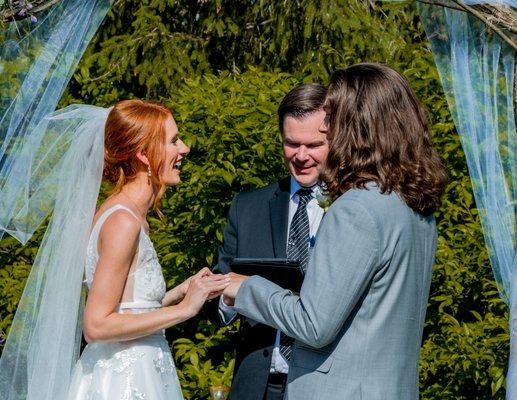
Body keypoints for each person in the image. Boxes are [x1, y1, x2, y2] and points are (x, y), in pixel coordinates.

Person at [223, 63, 448, 400]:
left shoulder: (355, 209)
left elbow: (313, 324)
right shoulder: (414, 208)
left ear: (358, 124)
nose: (328, 126)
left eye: (332, 117)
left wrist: (245, 288)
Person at [0, 100, 230, 400]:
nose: (184, 149)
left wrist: (183, 291)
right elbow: (96, 325)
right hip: (122, 382)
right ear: (145, 155)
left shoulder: (129, 215)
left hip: (141, 370)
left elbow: (127, 305)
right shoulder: (122, 221)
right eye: (174, 141)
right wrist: (185, 309)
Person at [212, 83, 328, 400]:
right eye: (292, 144)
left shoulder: (351, 209)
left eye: (313, 145)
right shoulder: (248, 207)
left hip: (321, 385)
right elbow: (217, 295)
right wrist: (232, 294)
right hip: (256, 386)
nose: (301, 156)